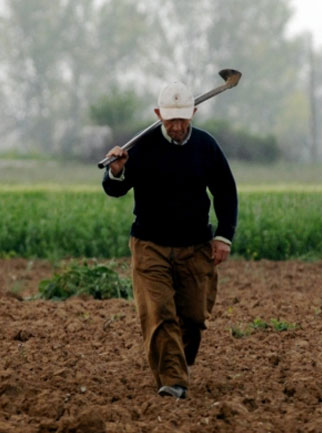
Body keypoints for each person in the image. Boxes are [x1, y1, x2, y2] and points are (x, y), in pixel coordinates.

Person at [101, 80, 238, 399]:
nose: (177, 126)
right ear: (158, 114)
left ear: (193, 112)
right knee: (159, 312)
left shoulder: (206, 147)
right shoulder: (141, 148)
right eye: (170, 119)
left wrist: (223, 237)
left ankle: (176, 364)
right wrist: (117, 170)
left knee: (192, 318)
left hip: (195, 247)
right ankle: (174, 380)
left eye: (183, 118)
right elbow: (115, 189)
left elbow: (226, 192)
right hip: (150, 246)